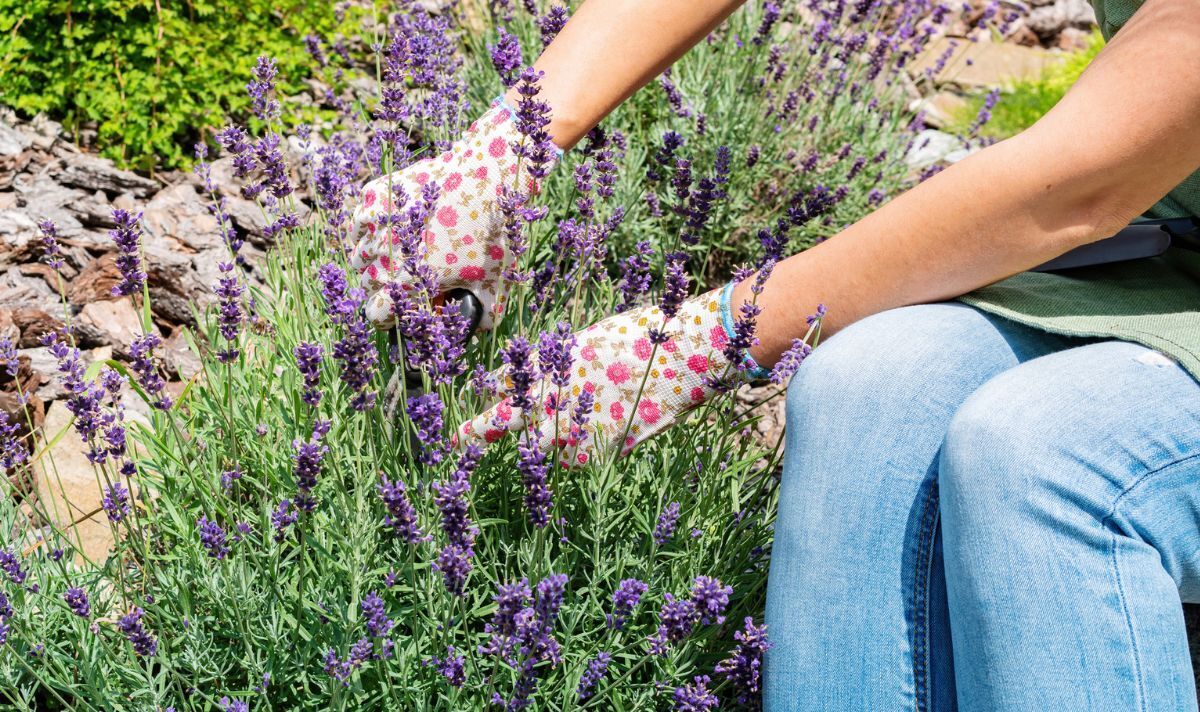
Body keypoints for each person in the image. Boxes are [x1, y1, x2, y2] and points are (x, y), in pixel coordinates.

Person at [348, 0, 1200, 708]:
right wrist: (507, 148)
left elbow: (1091, 176)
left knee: (1050, 457)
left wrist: (699, 337)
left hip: (1125, 201)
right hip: (1171, 252)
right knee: (869, 385)